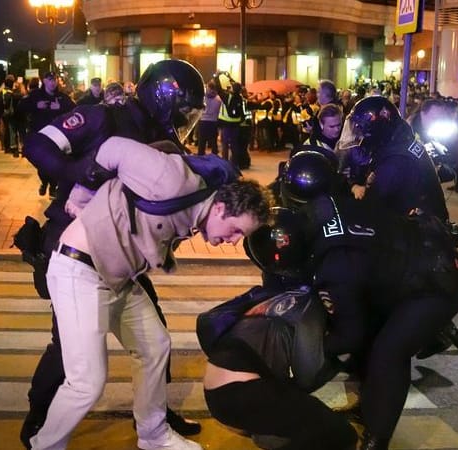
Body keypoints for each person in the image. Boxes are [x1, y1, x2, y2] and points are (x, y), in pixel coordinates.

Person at [28, 140, 271, 450]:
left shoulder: (196, 211)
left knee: (155, 346)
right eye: (236, 230)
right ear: (221, 208)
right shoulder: (172, 180)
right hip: (79, 271)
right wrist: (82, 195)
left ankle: (153, 435)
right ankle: (44, 446)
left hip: (118, 279)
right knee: (87, 381)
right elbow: (113, 148)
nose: (234, 241)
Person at [19, 61, 209, 448]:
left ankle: (155, 419)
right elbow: (37, 144)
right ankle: (40, 414)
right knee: (69, 346)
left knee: (154, 337)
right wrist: (79, 172)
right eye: (184, 111)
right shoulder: (102, 117)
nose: (185, 122)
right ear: (164, 98)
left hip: (123, 250)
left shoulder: (162, 136)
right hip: (73, 239)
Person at [247, 188, 458, 450]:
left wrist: (304, 354)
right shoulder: (316, 209)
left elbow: (350, 336)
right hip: (411, 257)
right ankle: (368, 409)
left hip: (436, 283)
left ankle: (378, 438)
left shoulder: (335, 269)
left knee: (388, 352)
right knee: (370, 341)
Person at [198, 285, 357, 450]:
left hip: (217, 393)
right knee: (343, 434)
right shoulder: (309, 310)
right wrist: (337, 361)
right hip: (243, 395)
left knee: (299, 419)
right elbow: (307, 378)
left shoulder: (278, 300)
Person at [346, 95, 450, 221]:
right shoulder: (400, 141)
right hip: (425, 223)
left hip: (422, 232)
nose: (360, 136)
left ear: (377, 129)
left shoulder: (396, 160)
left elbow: (372, 202)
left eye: (361, 130)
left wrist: (354, 186)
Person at [17, 71, 75, 197]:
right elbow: (21, 107)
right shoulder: (35, 95)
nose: (52, 82)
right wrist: (36, 105)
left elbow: (73, 108)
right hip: (39, 135)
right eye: (49, 80)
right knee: (41, 163)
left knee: (54, 161)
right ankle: (44, 182)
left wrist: (59, 108)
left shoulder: (61, 97)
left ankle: (53, 187)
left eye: (54, 80)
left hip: (56, 136)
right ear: (44, 81)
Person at [197, 80, 221, 156]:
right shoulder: (218, 99)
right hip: (214, 121)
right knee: (214, 141)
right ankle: (214, 155)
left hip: (203, 120)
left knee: (202, 141)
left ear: (208, 87)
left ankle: (201, 155)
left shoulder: (203, 98)